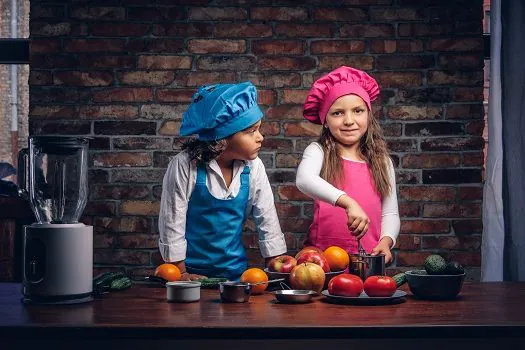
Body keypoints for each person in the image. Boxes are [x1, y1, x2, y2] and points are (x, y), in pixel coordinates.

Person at [158, 82, 287, 281]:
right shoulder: (185, 165)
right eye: (250, 131)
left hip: (236, 275)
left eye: (258, 129)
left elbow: (267, 218)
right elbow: (172, 221)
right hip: (190, 275)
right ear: (222, 138)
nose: (260, 137)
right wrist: (180, 272)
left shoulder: (254, 167)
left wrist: (277, 263)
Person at [295, 66, 400, 264]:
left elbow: (390, 213)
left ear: (368, 114)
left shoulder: (382, 162)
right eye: (337, 113)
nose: (349, 120)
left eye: (358, 111)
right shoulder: (318, 152)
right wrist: (349, 202)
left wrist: (386, 242)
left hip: (366, 260)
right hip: (320, 263)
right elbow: (304, 179)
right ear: (324, 120)